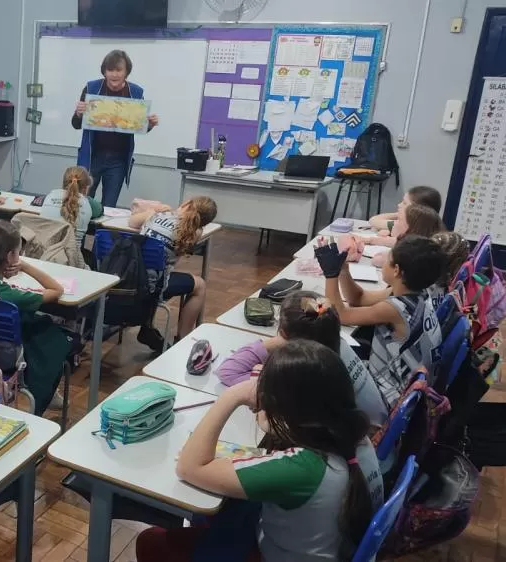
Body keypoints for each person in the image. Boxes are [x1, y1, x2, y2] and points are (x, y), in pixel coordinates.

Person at [137, 340, 383, 562]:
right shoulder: (356, 439)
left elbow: (190, 466)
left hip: (273, 553)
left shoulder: (303, 469)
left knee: (151, 541)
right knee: (221, 511)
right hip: (321, 548)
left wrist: (233, 395)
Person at [218, 290, 388, 427]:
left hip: (352, 452)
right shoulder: (338, 344)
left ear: (284, 333)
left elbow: (228, 372)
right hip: (376, 440)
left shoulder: (303, 370)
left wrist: (274, 345)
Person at [316, 235, 446, 408]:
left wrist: (330, 275)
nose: (384, 262)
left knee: (317, 364)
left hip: (388, 398)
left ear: (397, 270)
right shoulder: (417, 293)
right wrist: (343, 271)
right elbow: (358, 298)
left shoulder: (395, 309)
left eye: (388, 260)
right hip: (406, 388)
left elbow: (338, 315)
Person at [0, 220, 71, 413]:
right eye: (19, 252)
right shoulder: (10, 296)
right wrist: (25, 267)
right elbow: (57, 290)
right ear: (11, 257)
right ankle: (47, 395)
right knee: (52, 337)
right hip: (4, 357)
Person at [71, 49, 159, 208]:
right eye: (110, 70)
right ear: (104, 71)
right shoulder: (92, 88)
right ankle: (79, 233)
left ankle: (101, 234)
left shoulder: (136, 92)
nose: (114, 74)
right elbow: (76, 124)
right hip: (92, 157)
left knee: (109, 208)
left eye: (118, 70)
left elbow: (139, 127)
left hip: (118, 161)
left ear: (126, 72)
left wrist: (150, 124)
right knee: (80, 203)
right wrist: (78, 113)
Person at [128, 196, 218, 349]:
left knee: (156, 271)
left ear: (186, 204)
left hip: (128, 277)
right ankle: (182, 340)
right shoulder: (194, 232)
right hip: (153, 286)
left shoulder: (157, 215)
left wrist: (154, 209)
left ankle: (148, 326)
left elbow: (132, 222)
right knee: (200, 285)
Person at [39, 166, 103, 246]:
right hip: (70, 256)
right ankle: (89, 252)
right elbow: (100, 210)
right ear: (85, 188)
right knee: (91, 229)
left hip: (42, 252)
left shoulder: (50, 196)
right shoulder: (86, 203)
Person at [369, 204, 445, 266]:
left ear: (410, 229)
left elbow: (377, 260)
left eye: (398, 220)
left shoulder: (409, 255)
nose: (394, 223)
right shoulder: (424, 247)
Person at [368, 185, 441, 232]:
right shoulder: (405, 223)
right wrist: (399, 214)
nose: (399, 205)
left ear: (418, 210)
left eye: (404, 203)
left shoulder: (405, 227)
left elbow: (374, 221)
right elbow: (373, 221)